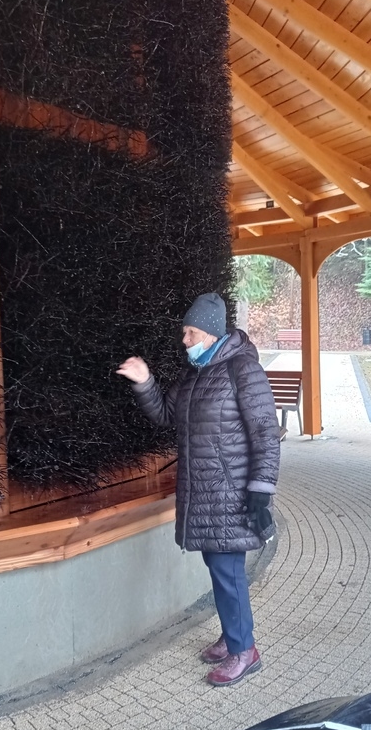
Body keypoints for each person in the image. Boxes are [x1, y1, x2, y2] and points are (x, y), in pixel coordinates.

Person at [116, 292, 280, 686]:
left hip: (231, 492)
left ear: (210, 333)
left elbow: (265, 432)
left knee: (227, 570)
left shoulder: (242, 369)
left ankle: (244, 651)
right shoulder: (195, 374)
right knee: (220, 568)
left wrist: (261, 488)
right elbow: (165, 414)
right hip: (204, 493)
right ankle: (233, 634)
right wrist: (145, 382)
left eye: (190, 333)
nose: (185, 340)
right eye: (185, 332)